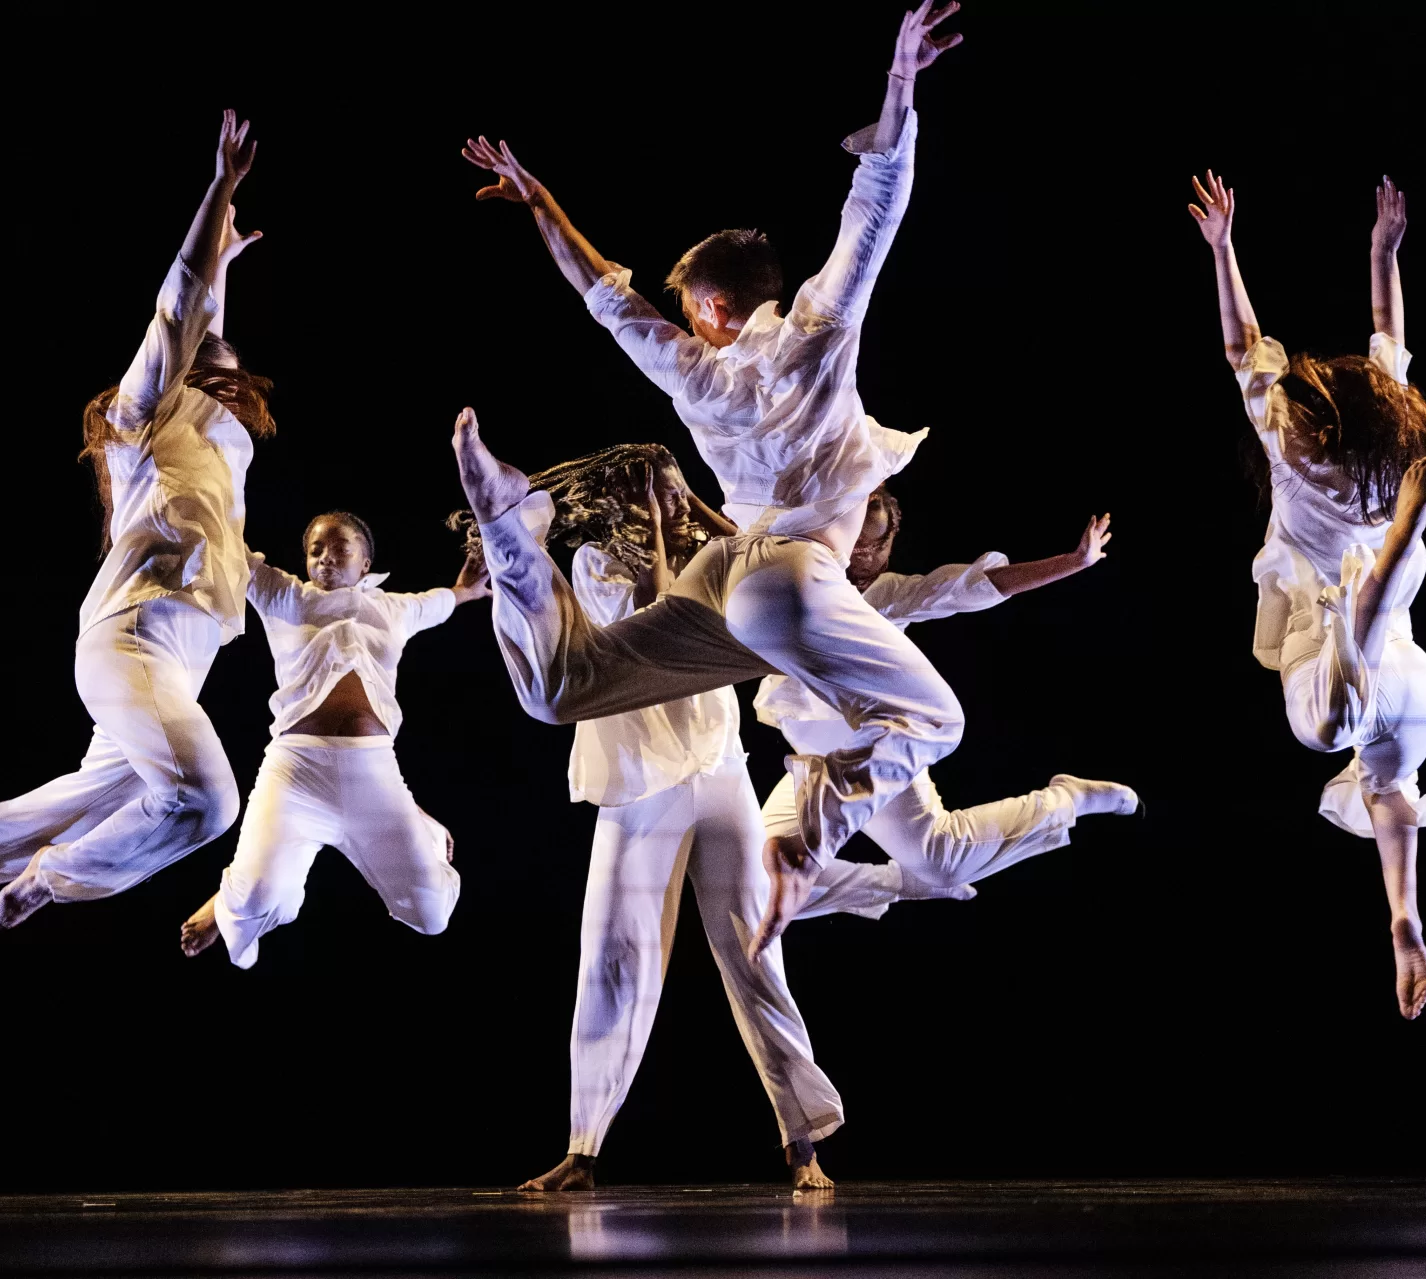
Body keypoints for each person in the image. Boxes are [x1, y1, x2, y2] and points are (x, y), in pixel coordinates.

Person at [454, 2, 966, 959]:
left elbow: (601, 292)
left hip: (723, 579)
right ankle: (801, 849)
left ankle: (516, 541)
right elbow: (877, 206)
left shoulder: (692, 369)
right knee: (934, 717)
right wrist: (899, 84)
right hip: (789, 579)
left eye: (687, 307)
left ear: (716, 307)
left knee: (561, 690)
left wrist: (539, 199)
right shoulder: (815, 332)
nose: (682, 324)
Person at [454, 447, 942, 1192]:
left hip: (715, 767)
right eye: (659, 497)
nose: (675, 505)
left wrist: (699, 513)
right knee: (615, 956)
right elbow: (655, 621)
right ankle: (583, 1148)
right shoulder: (594, 564)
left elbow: (756, 543)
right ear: (625, 504)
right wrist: (653, 520)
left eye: (678, 493)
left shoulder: (718, 558)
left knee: (755, 945)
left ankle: (802, 1140)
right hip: (639, 782)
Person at [0, 110, 273, 929]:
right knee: (207, 799)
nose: (225, 348)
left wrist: (222, 254)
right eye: (208, 348)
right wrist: (217, 189)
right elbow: (178, 312)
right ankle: (59, 874)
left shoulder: (213, 436)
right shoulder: (145, 411)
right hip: (136, 642)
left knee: (86, 794)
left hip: (178, 661)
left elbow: (205, 314)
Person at [1189, 170, 1426, 1019]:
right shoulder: (1381, 453)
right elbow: (1386, 333)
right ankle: (1402, 924)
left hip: (1342, 663)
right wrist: (1382, 251)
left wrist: (1224, 250)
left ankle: (1364, 601)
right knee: (1374, 772)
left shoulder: (1285, 439)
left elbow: (1244, 342)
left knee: (1324, 729)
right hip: (1405, 681)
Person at [758, 486, 1140, 889]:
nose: (864, 557)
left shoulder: (884, 595)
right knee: (753, 874)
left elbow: (971, 586)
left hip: (872, 752)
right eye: (859, 543)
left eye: (876, 545)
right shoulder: (791, 575)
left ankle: (1067, 801)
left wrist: (1072, 562)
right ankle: (896, 886)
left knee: (943, 863)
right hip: (815, 756)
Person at [177, 513, 488, 967]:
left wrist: (463, 591)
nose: (325, 557)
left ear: (365, 564)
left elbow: (434, 604)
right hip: (296, 770)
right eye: (315, 550)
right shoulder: (286, 596)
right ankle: (227, 905)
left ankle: (423, 828)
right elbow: (232, 554)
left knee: (431, 914)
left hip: (373, 773)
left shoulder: (392, 608)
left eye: (339, 547)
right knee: (251, 901)